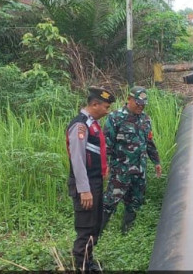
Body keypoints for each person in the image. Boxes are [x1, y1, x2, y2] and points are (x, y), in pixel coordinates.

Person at [66, 87, 115, 272]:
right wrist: (84, 190)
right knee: (86, 226)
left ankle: (89, 262)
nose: (107, 111)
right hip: (86, 184)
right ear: (95, 104)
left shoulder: (92, 123)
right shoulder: (80, 125)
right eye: (106, 107)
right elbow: (77, 160)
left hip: (95, 181)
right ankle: (82, 266)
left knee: (95, 224)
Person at [102, 86, 162, 234]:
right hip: (120, 171)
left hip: (139, 171)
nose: (141, 107)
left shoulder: (145, 119)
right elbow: (106, 144)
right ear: (129, 99)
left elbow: (149, 143)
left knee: (134, 203)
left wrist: (156, 162)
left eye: (143, 105)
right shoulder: (115, 118)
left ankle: (126, 233)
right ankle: (96, 234)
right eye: (138, 103)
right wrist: (105, 165)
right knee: (109, 202)